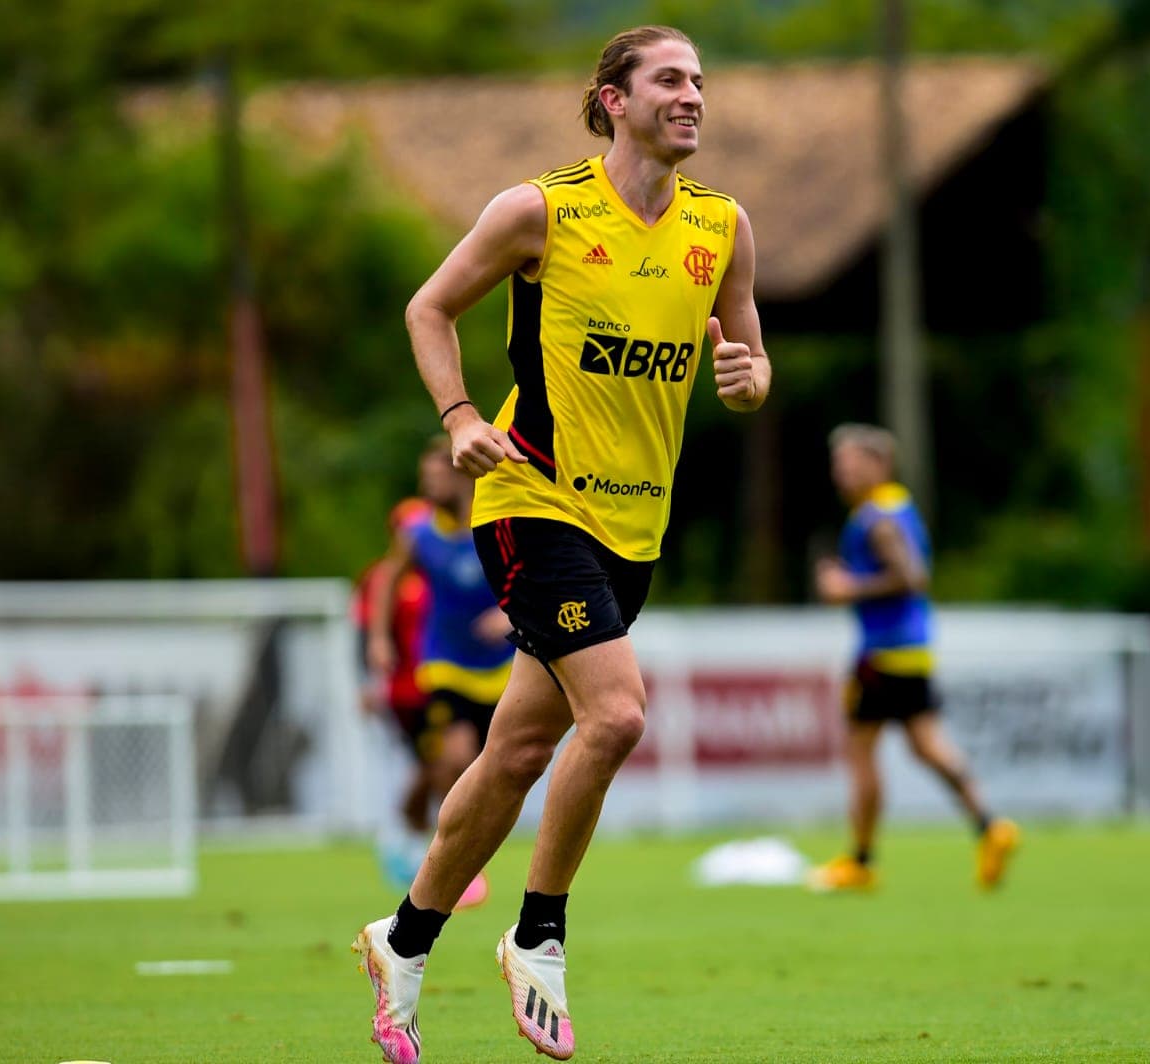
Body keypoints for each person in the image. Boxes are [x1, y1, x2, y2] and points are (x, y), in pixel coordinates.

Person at [352, 25, 770, 1063]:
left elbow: (748, 344)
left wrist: (750, 378)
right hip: (530, 499)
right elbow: (429, 306)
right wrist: (456, 418)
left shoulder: (722, 226)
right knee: (619, 713)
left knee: (517, 752)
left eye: (699, 82)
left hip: (635, 528)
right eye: (669, 79)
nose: (691, 96)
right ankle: (538, 933)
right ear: (611, 99)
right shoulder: (539, 209)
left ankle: (401, 940)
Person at [808, 424, 1019, 894]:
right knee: (927, 746)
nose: (841, 472)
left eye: (851, 462)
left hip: (882, 653)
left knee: (860, 752)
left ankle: (861, 861)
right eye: (837, 463)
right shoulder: (896, 506)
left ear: (879, 464)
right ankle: (990, 825)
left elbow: (911, 577)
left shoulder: (876, 517)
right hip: (912, 649)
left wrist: (848, 588)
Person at [373, 436, 516, 907]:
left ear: (459, 474)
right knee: (454, 760)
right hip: (444, 665)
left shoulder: (496, 521)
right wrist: (378, 639)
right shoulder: (417, 533)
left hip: (498, 669)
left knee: (490, 769)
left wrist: (510, 614)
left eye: (434, 475)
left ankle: (423, 842)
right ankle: (449, 862)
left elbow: (531, 570)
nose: (426, 484)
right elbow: (386, 581)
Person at [355, 498, 432, 883]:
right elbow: (366, 634)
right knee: (425, 766)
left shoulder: (437, 572)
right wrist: (368, 683)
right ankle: (404, 840)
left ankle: (410, 840)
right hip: (402, 691)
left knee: (441, 765)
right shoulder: (381, 579)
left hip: (440, 684)